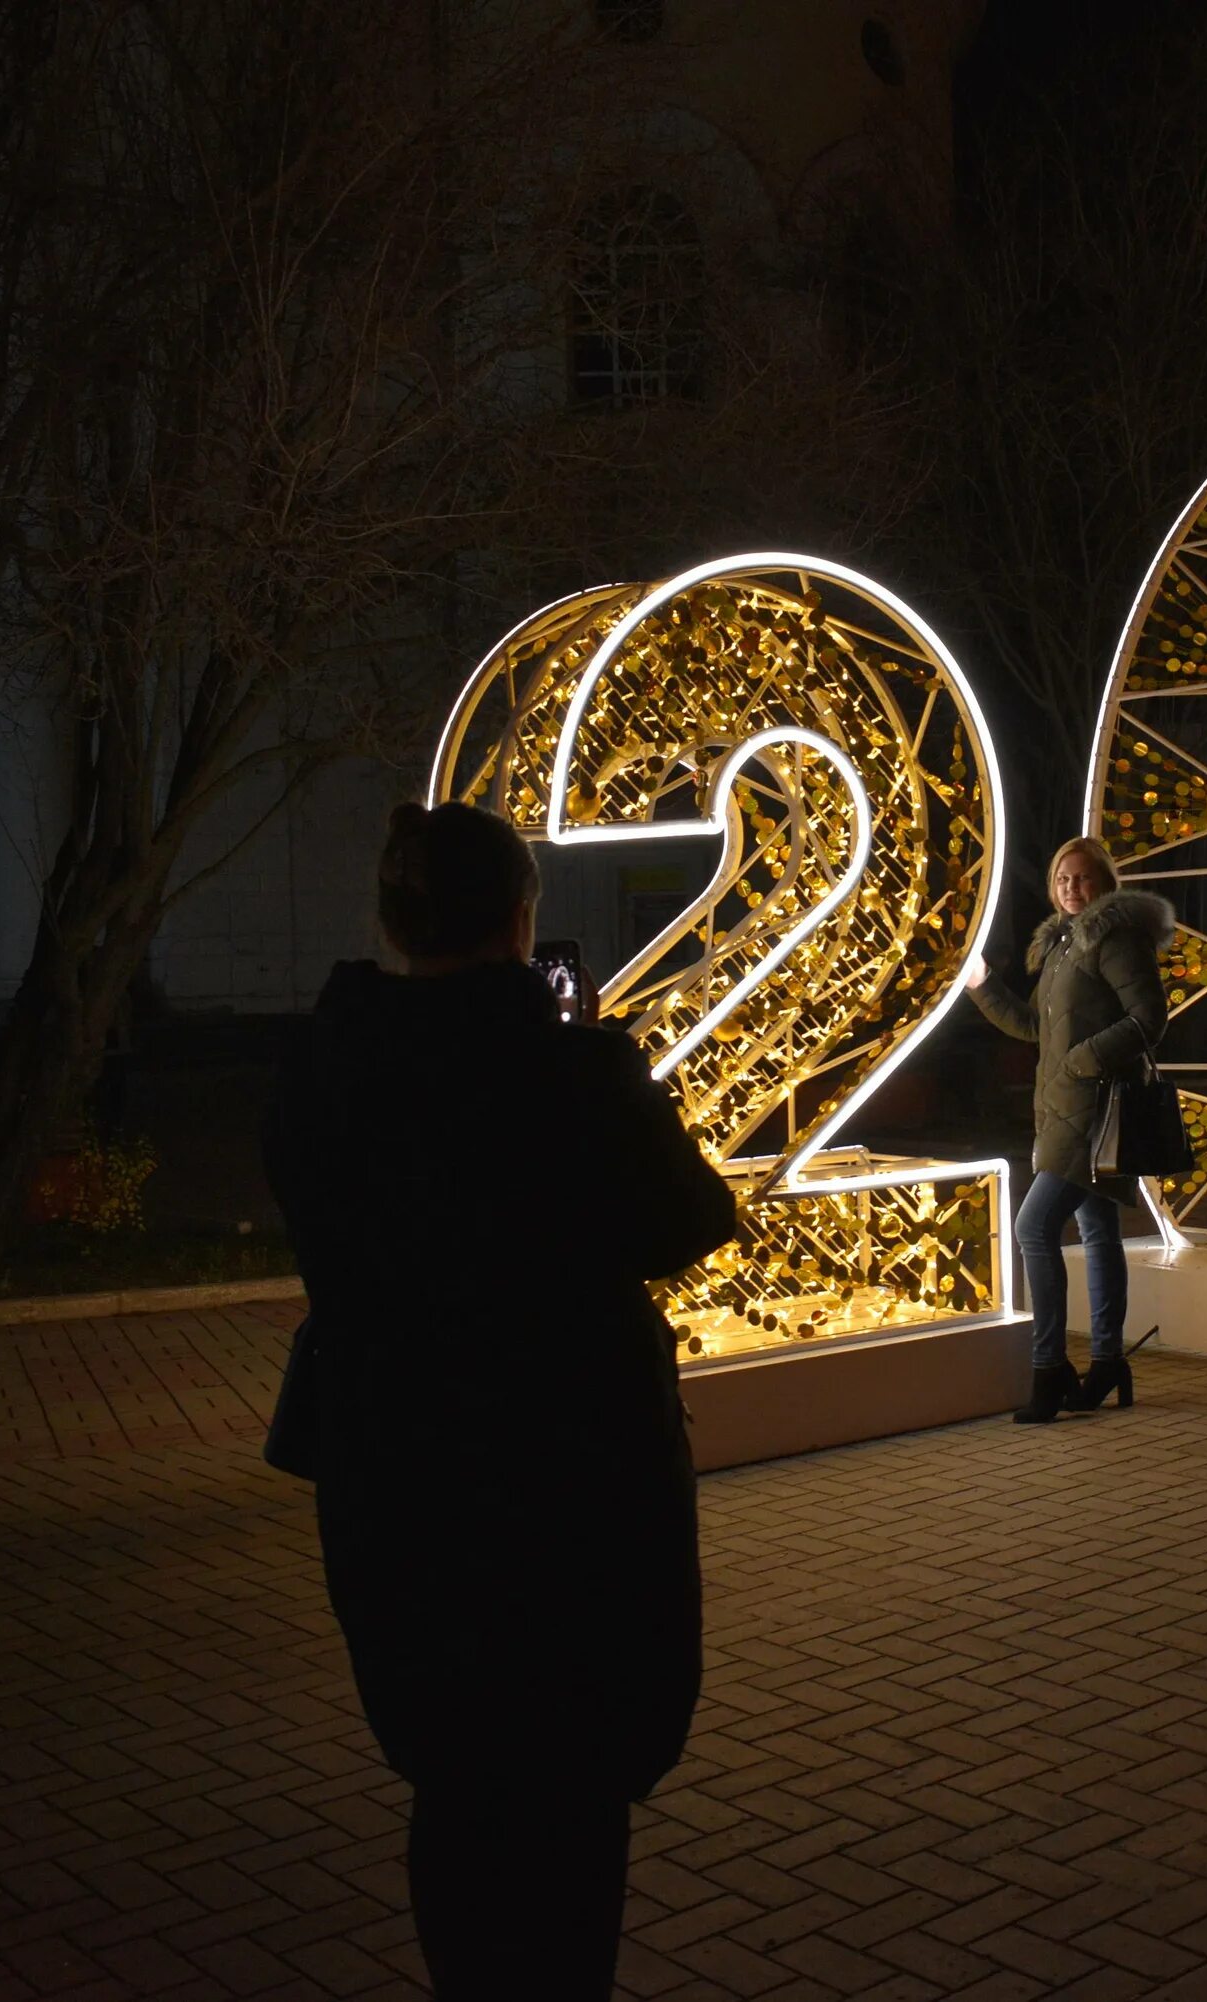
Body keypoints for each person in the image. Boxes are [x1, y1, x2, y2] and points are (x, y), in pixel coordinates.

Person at [263, 802, 738, 1998]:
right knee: (571, 1806)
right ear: (524, 922)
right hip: (570, 1490)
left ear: (391, 922)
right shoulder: (568, 1074)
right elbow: (693, 1220)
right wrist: (598, 1059)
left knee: (457, 1785)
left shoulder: (326, 1070)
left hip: (397, 1480)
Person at [963, 836, 1172, 1424]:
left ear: (1104, 882)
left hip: (1098, 1110)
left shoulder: (1115, 939)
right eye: (1062, 880)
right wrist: (983, 985)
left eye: (1082, 879)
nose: (1071, 889)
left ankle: (1049, 1368)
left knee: (1033, 1228)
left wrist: (1084, 1060)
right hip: (1062, 1111)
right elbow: (1034, 1026)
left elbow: (1149, 1018)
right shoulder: (1061, 946)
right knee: (1098, 1231)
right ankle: (1107, 1363)